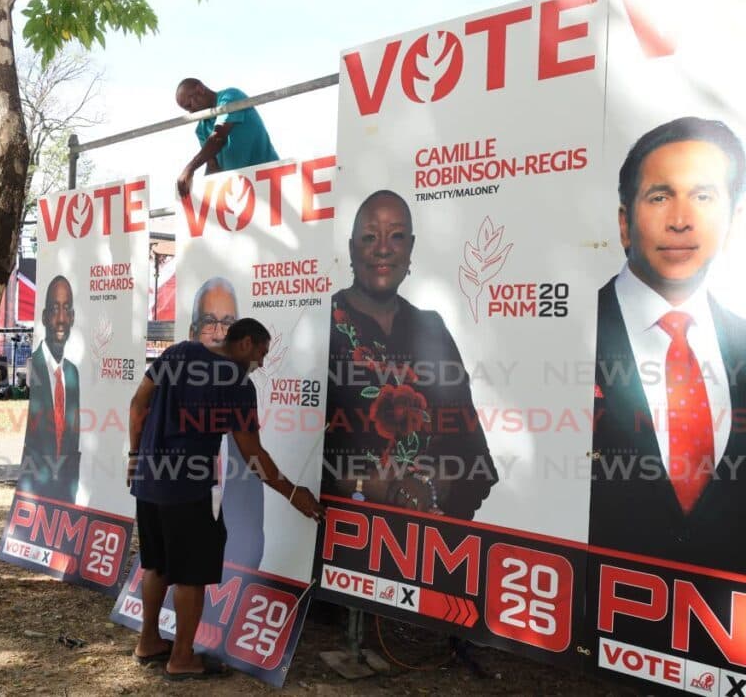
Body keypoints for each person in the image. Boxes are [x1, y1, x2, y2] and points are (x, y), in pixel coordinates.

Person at [590, 116, 746, 572]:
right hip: (590, 614)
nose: (680, 221)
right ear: (624, 223)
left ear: (732, 221)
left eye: (703, 197)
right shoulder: (571, 328)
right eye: (660, 197)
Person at [127, 319, 323, 680]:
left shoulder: (177, 352)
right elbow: (251, 452)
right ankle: (182, 658)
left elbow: (138, 402)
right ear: (245, 343)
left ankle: (149, 641)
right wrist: (292, 492)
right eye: (261, 354)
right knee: (189, 576)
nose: (261, 364)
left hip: (149, 482)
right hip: (187, 489)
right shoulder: (237, 383)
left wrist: (134, 456)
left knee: (155, 564)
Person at [322, 189, 497, 518]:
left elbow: (473, 454)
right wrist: (367, 487)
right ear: (351, 247)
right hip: (339, 540)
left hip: (424, 548)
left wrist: (427, 487)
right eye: (370, 236)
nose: (384, 248)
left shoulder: (431, 328)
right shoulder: (321, 324)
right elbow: (290, 454)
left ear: (411, 248)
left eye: (397, 236)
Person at [189, 278, 265, 570]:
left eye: (229, 324)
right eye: (210, 322)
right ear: (192, 332)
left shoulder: (243, 390)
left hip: (231, 556)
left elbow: (251, 468)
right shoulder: (170, 380)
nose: (221, 335)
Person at [21, 275, 81, 502]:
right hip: (35, 492)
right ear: (45, 317)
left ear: (73, 318)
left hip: (66, 495)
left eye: (67, 309)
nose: (61, 319)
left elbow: (72, 441)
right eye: (55, 309)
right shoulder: (33, 366)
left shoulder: (73, 373)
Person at [174, 78, 278, 198]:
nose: (191, 112)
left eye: (189, 105)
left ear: (200, 89)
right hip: (241, 192)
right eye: (187, 110)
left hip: (268, 179)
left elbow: (218, 137)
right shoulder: (201, 129)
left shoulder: (231, 96)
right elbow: (213, 167)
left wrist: (189, 169)